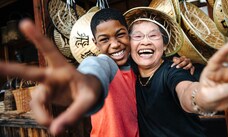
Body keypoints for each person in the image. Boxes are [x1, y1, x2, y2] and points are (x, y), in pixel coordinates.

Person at [0, 8, 193, 136]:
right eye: (104, 40)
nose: (115, 44)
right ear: (95, 43)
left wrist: (177, 62)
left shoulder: (139, 67)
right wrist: (86, 82)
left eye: (120, 35)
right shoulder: (102, 64)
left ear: (128, 34)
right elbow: (95, 69)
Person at [124, 7, 228, 137]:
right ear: (129, 44)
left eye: (153, 35)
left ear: (165, 45)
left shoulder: (173, 70)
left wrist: (203, 97)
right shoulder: (130, 74)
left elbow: (186, 90)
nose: (145, 41)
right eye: (138, 36)